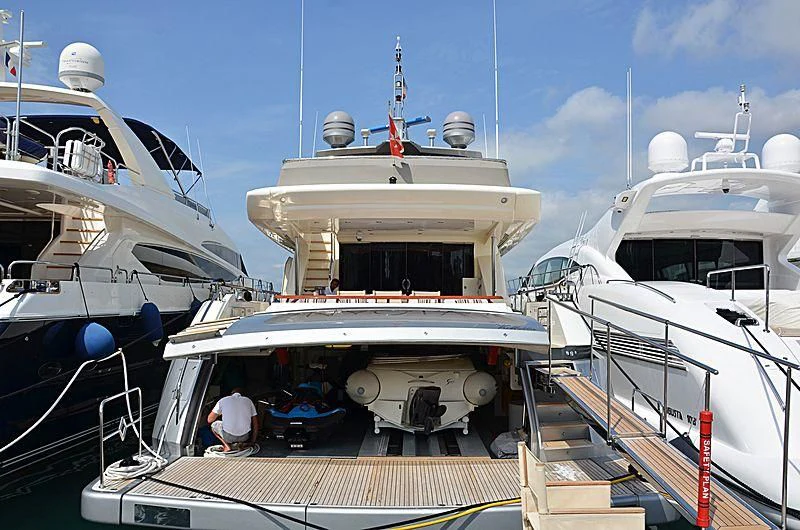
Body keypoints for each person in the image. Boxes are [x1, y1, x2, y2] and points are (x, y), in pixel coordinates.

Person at [207, 388, 259, 452]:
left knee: (214, 425)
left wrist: (221, 413)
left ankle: (227, 446)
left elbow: (209, 419)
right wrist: (253, 442)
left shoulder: (223, 400)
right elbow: (255, 424)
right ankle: (241, 444)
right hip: (245, 437)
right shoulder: (249, 401)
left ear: (231, 394)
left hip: (228, 437)